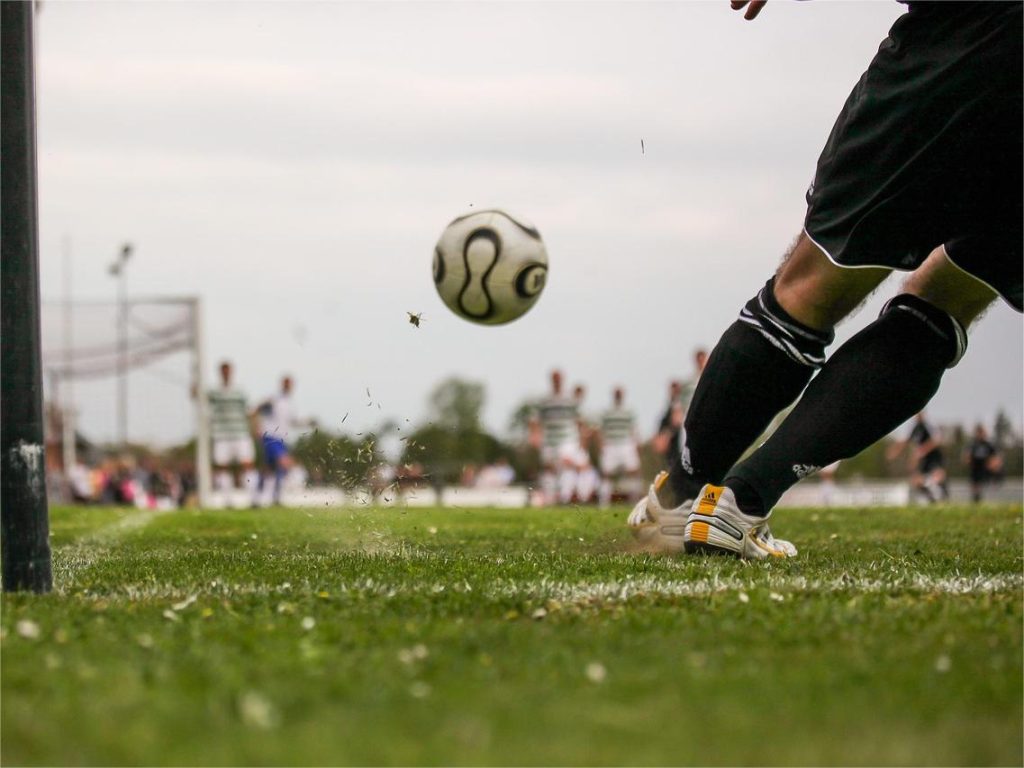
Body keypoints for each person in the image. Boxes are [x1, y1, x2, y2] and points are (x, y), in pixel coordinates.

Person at [630, 0, 1021, 558]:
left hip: (963, 37)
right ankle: (741, 503)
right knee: (949, 300)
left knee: (809, 288)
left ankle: (681, 499)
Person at [208, 360, 258, 507]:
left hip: (240, 433)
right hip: (221, 435)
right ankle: (227, 500)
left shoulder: (240, 392)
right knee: (222, 466)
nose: (226, 373)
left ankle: (253, 499)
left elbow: (248, 411)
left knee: (247, 464)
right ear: (220, 373)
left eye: (228, 370)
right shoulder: (214, 392)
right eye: (223, 371)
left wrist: (255, 427)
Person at [528, 370, 580, 505]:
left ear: (562, 380)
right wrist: (534, 434)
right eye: (554, 378)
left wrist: (580, 439)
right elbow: (535, 419)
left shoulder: (570, 399)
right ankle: (550, 499)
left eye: (559, 378)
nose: (557, 381)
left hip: (567, 439)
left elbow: (577, 419)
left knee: (567, 465)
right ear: (551, 380)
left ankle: (565, 498)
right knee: (549, 468)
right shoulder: (544, 400)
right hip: (549, 440)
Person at [255, 375, 301, 506]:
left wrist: (307, 422)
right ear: (282, 384)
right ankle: (276, 496)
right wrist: (257, 427)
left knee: (269, 469)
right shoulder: (274, 399)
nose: (287, 386)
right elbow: (257, 410)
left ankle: (259, 497)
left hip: (282, 438)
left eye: (289, 384)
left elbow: (293, 422)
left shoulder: (291, 403)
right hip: (270, 436)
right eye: (286, 383)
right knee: (284, 462)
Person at [887, 412, 949, 504]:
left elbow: (937, 440)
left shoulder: (928, 426)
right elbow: (905, 441)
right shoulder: (915, 428)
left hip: (934, 457)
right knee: (916, 481)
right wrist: (895, 451)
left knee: (939, 476)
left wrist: (922, 451)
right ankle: (932, 499)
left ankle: (944, 497)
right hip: (923, 459)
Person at [598, 387, 642, 507]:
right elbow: (602, 430)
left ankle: (635, 502)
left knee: (634, 471)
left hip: (626, 443)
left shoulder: (629, 412)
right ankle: (603, 503)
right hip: (611, 443)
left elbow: (634, 430)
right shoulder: (606, 412)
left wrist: (636, 445)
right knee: (606, 473)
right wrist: (602, 445)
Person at [964, 423, 1002, 504]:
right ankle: (976, 501)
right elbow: (967, 457)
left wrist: (992, 465)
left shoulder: (989, 444)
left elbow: (996, 458)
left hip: (986, 469)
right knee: (976, 488)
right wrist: (969, 461)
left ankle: (995, 484)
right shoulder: (973, 445)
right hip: (976, 469)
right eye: (979, 432)